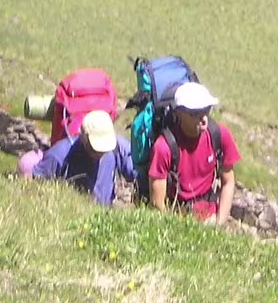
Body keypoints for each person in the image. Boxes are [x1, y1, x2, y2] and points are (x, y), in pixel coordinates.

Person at [147, 81, 238, 225]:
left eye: (206, 110)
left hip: (210, 219)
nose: (204, 119)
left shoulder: (219, 135)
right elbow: (157, 205)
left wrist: (219, 222)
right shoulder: (164, 147)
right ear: (179, 113)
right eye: (195, 114)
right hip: (176, 220)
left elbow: (228, 182)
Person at [32, 109, 134, 205]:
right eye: (95, 149)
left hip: (104, 211)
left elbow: (135, 172)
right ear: (83, 137)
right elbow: (34, 182)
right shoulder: (59, 154)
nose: (100, 153)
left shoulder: (118, 148)